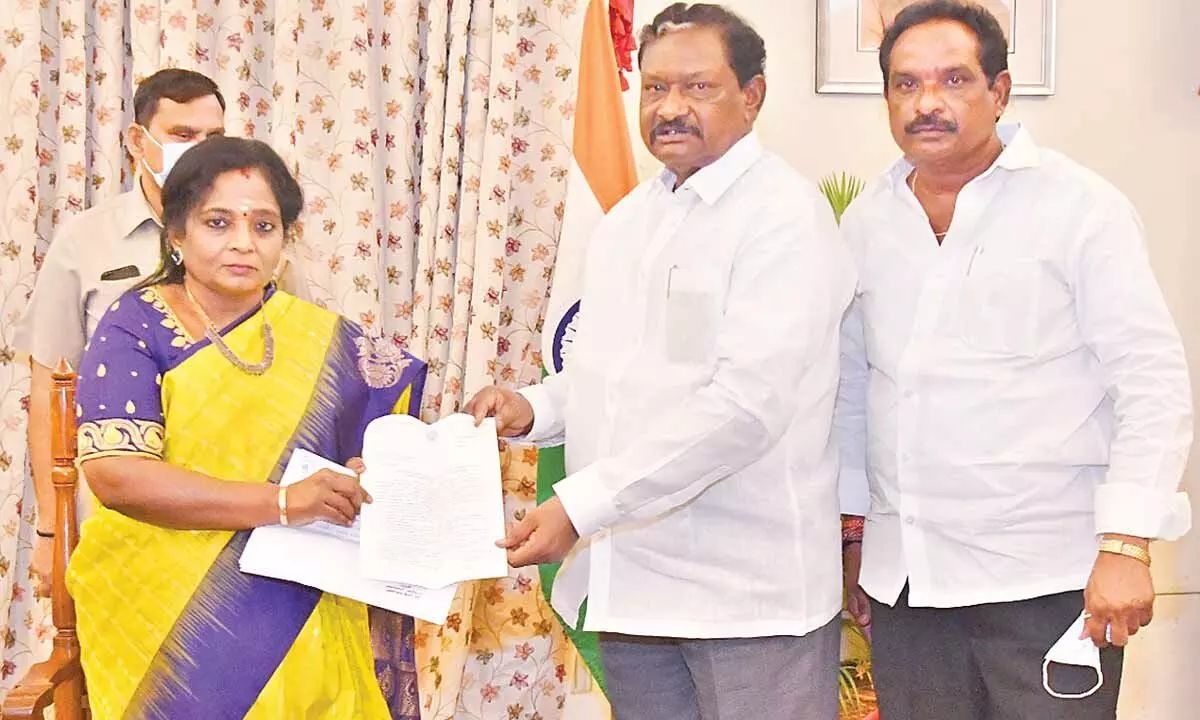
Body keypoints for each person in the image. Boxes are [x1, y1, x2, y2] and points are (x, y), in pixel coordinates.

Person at [467, 4, 855, 719]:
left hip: (746, 602)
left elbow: (742, 410)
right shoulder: (627, 223)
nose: (669, 108)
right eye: (653, 89)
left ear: (753, 95)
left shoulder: (784, 219)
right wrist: (533, 409)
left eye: (697, 88)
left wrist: (580, 506)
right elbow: (608, 376)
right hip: (632, 590)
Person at [836, 2, 1193, 719]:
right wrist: (851, 531)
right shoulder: (868, 219)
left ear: (999, 91)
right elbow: (852, 387)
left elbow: (1151, 381)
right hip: (910, 586)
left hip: (1047, 582)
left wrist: (1127, 542)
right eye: (905, 85)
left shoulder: (1078, 208)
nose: (927, 103)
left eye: (953, 80)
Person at [66, 136, 427, 719]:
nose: (243, 243)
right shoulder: (136, 324)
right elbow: (117, 478)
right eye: (218, 222)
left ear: (286, 242)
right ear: (177, 234)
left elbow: (387, 436)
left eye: (264, 225)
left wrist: (370, 470)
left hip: (295, 586)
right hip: (161, 603)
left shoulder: (321, 337)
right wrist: (282, 502)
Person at [16, 68, 226, 592]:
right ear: (138, 140)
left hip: (233, 508)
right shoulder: (86, 241)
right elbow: (50, 389)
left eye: (214, 139)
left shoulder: (256, 244)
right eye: (183, 135)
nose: (201, 152)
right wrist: (51, 530)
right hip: (121, 512)